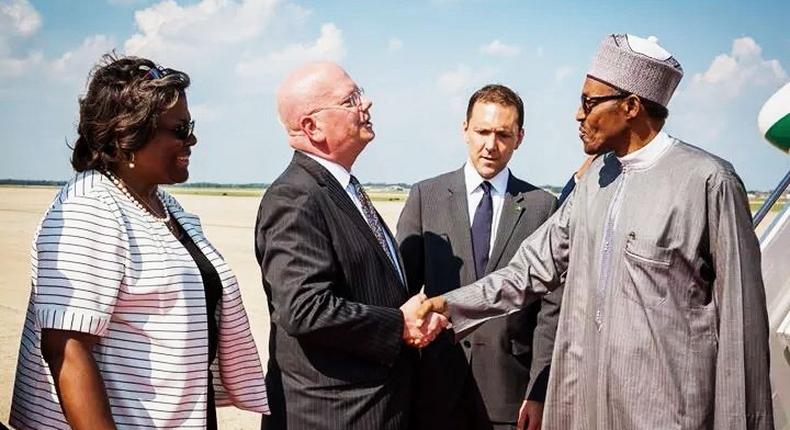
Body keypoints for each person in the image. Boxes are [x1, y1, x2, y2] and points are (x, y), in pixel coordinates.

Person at [416, 34, 774, 429]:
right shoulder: (594, 183)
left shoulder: (708, 182)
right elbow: (528, 271)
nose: (577, 115)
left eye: (588, 102)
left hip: (668, 413)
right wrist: (446, 305)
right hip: (584, 409)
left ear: (631, 106)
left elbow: (743, 331)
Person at [9, 54, 269, 430]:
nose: (192, 139)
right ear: (127, 135)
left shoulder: (161, 204)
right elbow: (67, 348)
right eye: (180, 129)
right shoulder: (91, 208)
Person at [255, 61, 445, 430]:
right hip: (335, 416)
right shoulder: (294, 197)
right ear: (312, 126)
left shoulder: (340, 188)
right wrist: (398, 325)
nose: (366, 104)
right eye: (351, 99)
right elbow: (304, 308)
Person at [397, 84, 561, 430]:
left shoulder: (542, 206)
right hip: (434, 388)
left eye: (503, 134)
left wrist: (539, 391)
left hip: (510, 396)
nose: (491, 145)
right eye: (482, 131)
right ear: (465, 130)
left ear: (520, 137)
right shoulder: (426, 196)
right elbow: (403, 293)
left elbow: (552, 310)